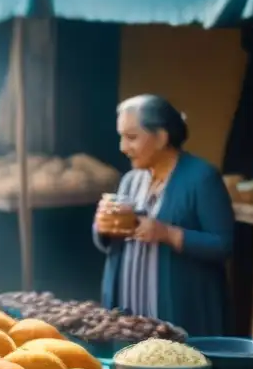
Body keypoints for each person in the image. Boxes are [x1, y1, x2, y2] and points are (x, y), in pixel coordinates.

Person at [94, 94, 234, 336]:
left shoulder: (201, 178)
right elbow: (108, 241)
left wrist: (167, 233)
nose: (122, 147)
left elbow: (223, 245)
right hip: (129, 320)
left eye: (132, 137)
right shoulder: (129, 181)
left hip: (181, 314)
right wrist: (103, 226)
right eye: (121, 137)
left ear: (161, 137)